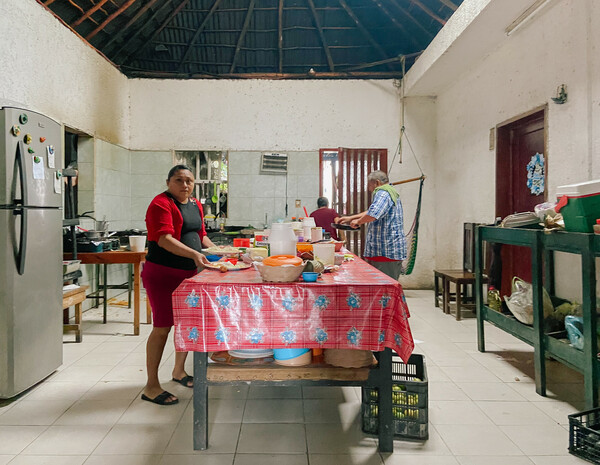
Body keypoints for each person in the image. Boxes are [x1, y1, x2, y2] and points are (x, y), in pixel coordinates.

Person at [141, 165, 216, 406]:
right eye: (179, 180)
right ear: (168, 182)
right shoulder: (160, 204)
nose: (184, 185)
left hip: (188, 274)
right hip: (163, 274)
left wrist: (221, 253)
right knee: (163, 327)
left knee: (185, 322)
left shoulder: (195, 204)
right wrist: (195, 254)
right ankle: (151, 385)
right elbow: (164, 239)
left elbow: (200, 234)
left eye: (189, 181)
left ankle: (179, 371)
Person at [336, 170, 407, 280]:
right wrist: (351, 218)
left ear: (377, 182)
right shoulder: (390, 191)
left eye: (369, 185)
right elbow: (371, 211)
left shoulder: (383, 193)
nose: (369, 189)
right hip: (389, 250)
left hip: (386, 251)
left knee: (385, 286)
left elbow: (373, 214)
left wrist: (358, 222)